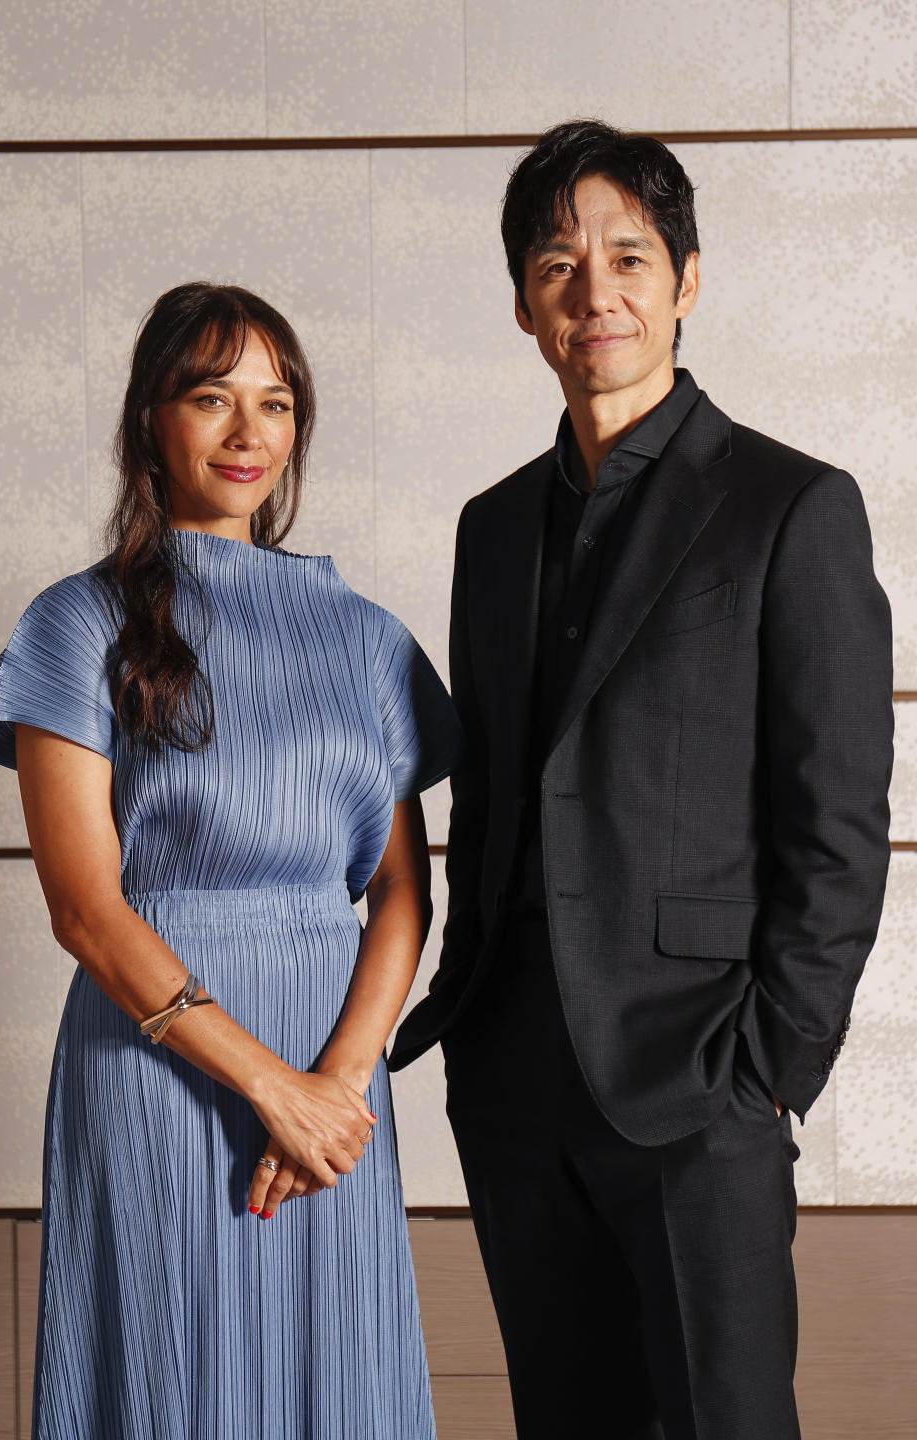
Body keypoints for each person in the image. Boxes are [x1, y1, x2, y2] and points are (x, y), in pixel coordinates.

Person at [390, 120, 894, 1439]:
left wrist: (775, 1060)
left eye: (628, 255)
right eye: (559, 263)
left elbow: (836, 818)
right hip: (512, 1082)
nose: (595, 290)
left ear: (686, 278)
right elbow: (494, 786)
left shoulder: (793, 507)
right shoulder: (492, 528)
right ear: (523, 304)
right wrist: (470, 1013)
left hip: (699, 1080)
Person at [0, 281, 459, 1439]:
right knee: (169, 1383)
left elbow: (400, 891)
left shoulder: (367, 635)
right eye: (212, 396)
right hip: (157, 1061)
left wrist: (336, 1084)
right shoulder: (74, 625)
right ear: (153, 419)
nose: (250, 433)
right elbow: (86, 912)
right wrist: (270, 1086)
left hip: (337, 1070)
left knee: (336, 1373)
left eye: (277, 404)